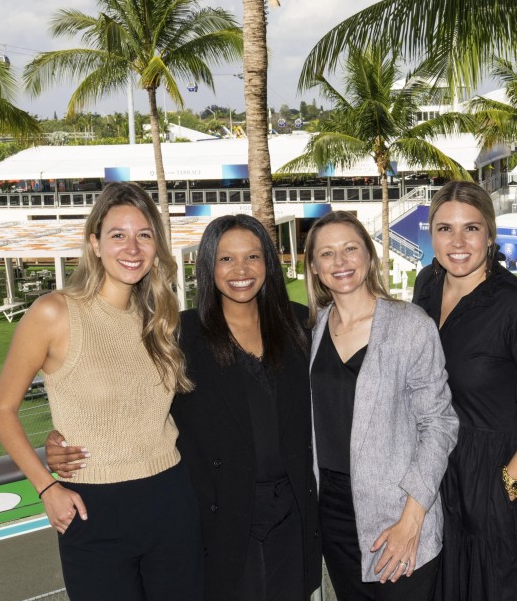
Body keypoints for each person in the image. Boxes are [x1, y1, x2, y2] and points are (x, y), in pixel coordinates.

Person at [47, 214, 320, 601]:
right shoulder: (179, 334)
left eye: (252, 257)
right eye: (225, 259)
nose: (240, 270)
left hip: (292, 511)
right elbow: (125, 395)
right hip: (222, 516)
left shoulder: (299, 325)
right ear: (208, 266)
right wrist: (64, 438)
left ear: (268, 264)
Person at [0, 182, 202, 601]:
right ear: (94, 243)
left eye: (144, 235)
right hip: (93, 511)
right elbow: (1, 409)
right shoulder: (54, 313)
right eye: (117, 235)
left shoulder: (161, 318)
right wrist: (46, 487)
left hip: (171, 500)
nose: (132, 247)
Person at [412, 180, 517, 601]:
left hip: (500, 476)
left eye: (470, 228)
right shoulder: (427, 287)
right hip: (444, 471)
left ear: (489, 234)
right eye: (444, 228)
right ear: (430, 233)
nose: (457, 242)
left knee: (506, 585)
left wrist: (508, 482)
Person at [304, 210, 458, 601]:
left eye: (350, 249)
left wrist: (412, 520)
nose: (340, 262)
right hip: (334, 515)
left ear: (369, 257)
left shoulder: (410, 325)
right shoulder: (314, 330)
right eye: (327, 253)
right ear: (314, 268)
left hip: (398, 511)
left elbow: (439, 424)